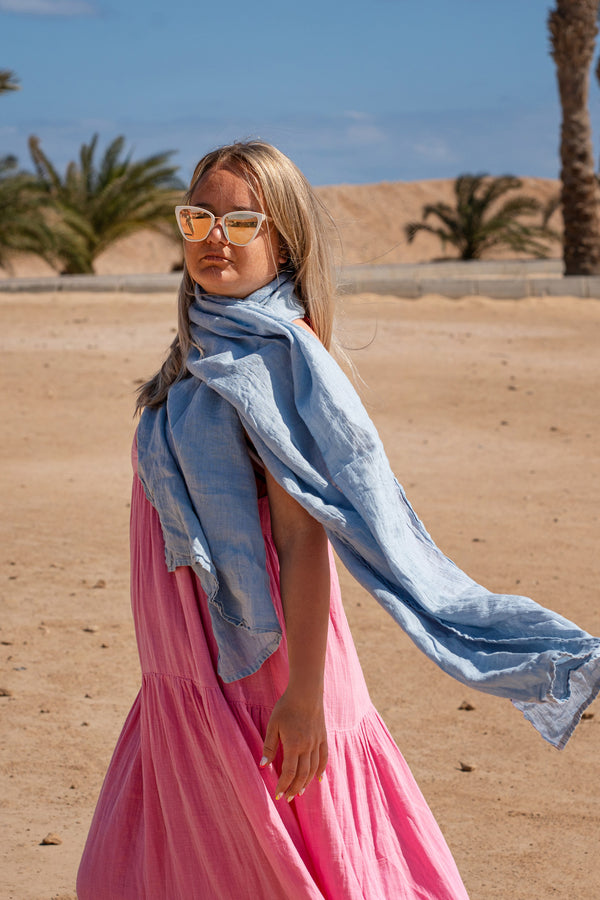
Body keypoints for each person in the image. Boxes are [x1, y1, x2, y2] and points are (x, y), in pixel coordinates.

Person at [77, 141, 600, 900]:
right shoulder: (203, 346)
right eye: (198, 218)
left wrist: (305, 698)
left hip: (266, 673)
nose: (214, 237)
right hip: (192, 670)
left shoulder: (277, 360)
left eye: (241, 221)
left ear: (283, 239)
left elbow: (300, 534)